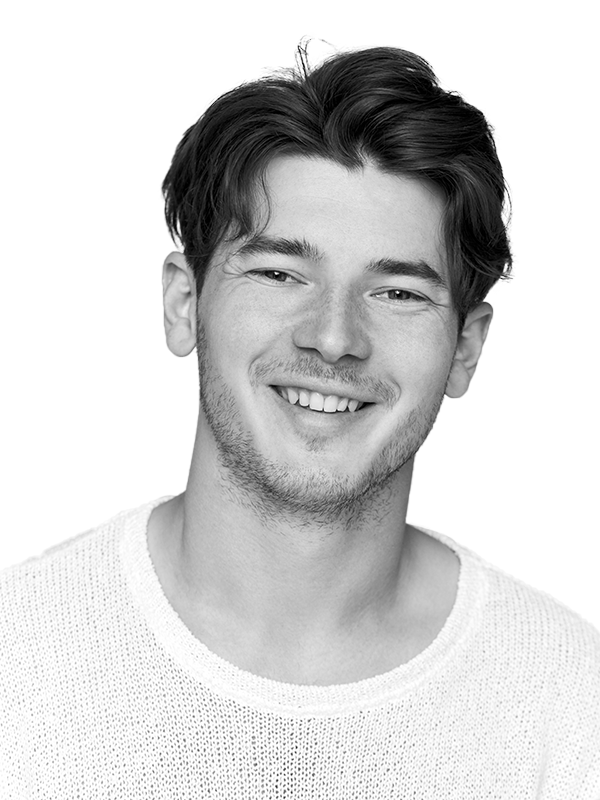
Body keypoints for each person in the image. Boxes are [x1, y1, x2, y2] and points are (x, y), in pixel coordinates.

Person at [2, 45, 599, 798]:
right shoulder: (18, 667)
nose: (333, 337)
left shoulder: (572, 714)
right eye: (280, 274)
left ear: (466, 348)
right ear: (185, 304)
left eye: (398, 293)